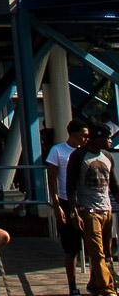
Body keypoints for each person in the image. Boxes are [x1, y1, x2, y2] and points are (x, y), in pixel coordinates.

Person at [72, 126, 119, 296]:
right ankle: (108, 288)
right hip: (88, 210)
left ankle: (95, 284)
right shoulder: (78, 157)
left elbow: (114, 186)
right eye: (107, 138)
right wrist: (74, 213)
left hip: (106, 209)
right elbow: (70, 187)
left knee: (106, 253)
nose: (110, 141)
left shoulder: (107, 156)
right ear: (97, 138)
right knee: (97, 252)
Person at [47, 119, 91, 295]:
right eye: (83, 135)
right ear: (73, 134)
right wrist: (56, 204)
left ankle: (95, 281)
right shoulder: (58, 151)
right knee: (71, 248)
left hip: (86, 202)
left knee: (92, 246)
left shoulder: (87, 152)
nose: (86, 139)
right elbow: (52, 177)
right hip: (66, 200)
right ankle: (72, 286)